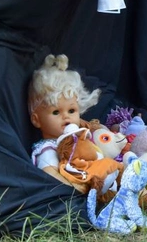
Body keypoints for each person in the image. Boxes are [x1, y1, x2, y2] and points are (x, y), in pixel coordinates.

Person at [29, 54, 101, 192]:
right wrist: (75, 188)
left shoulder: (77, 137)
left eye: (72, 110)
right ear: (36, 120)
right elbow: (49, 174)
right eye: (56, 112)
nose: (66, 117)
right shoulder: (49, 148)